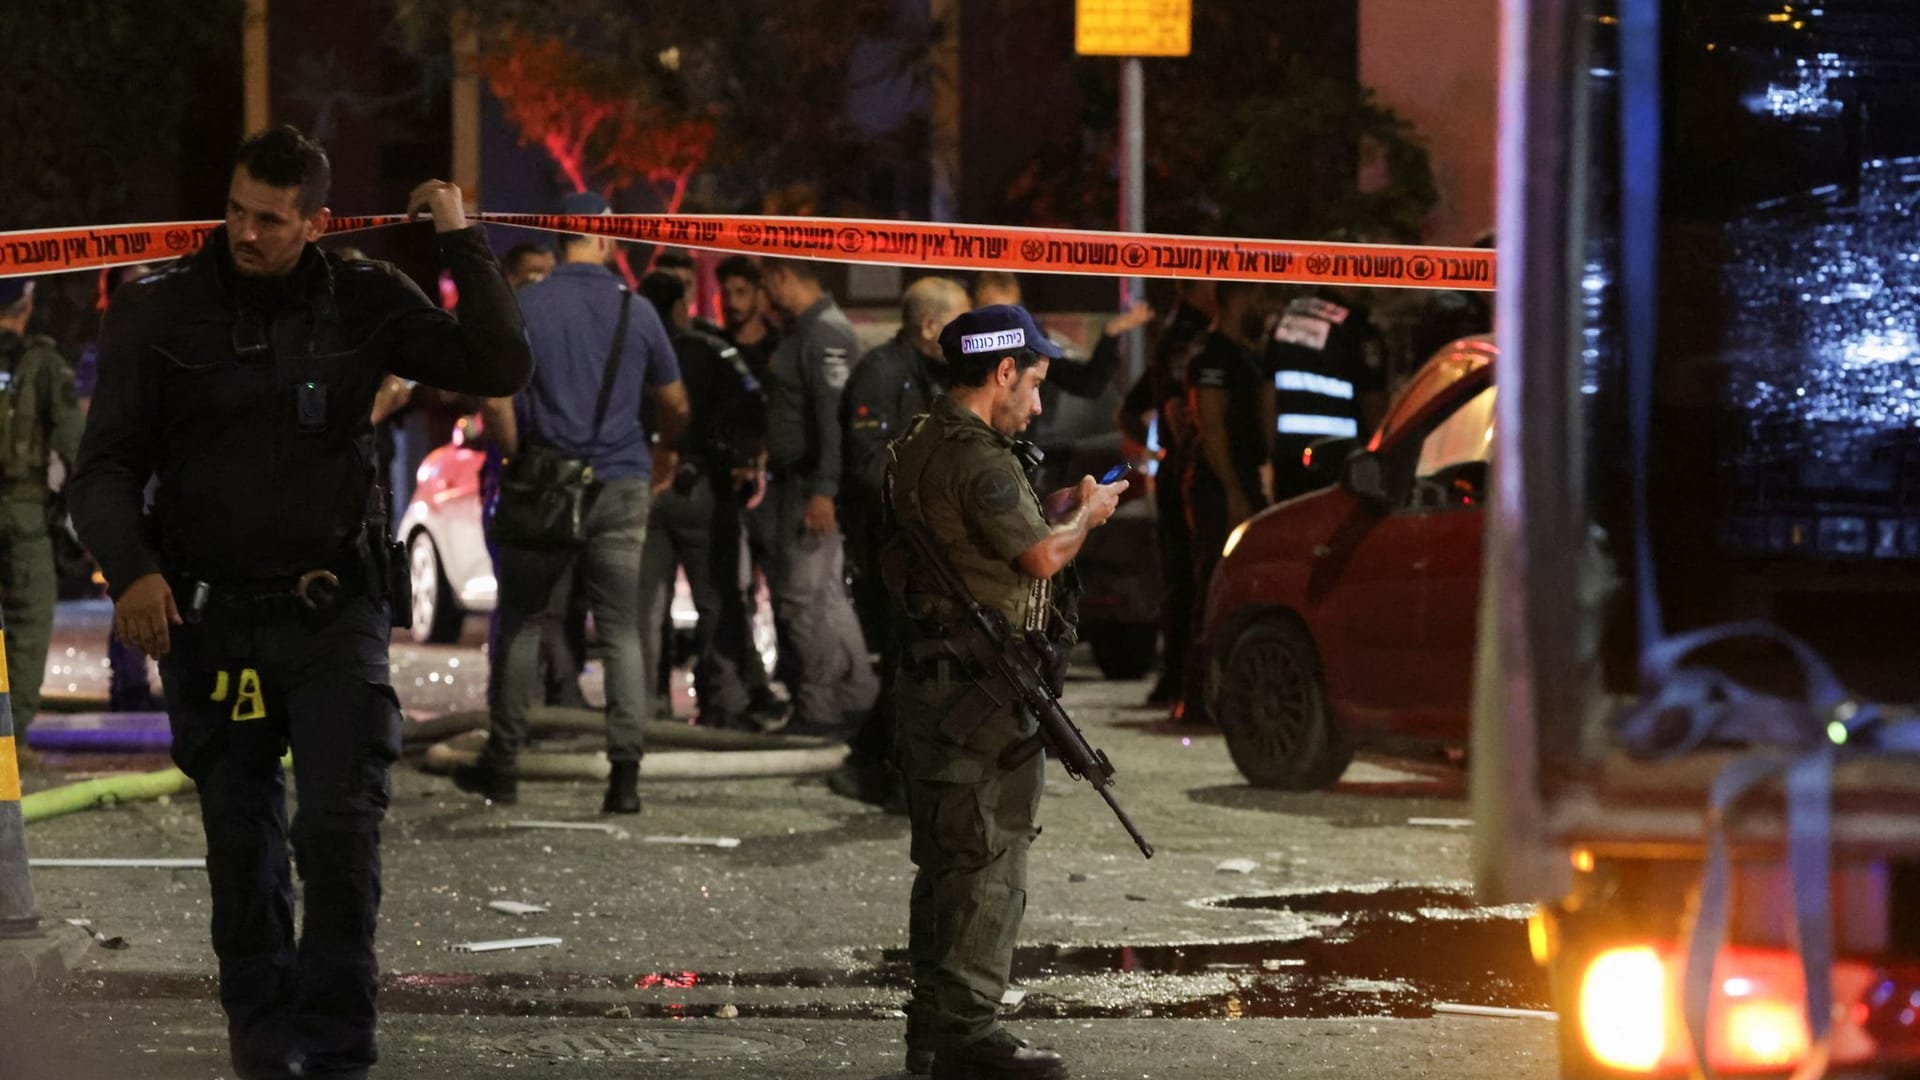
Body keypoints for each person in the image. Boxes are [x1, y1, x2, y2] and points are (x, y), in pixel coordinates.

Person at [69, 124, 532, 1080]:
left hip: (332, 612)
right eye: (236, 210)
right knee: (243, 844)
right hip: (209, 616)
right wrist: (134, 569)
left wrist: (459, 238)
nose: (246, 232)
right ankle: (261, 1037)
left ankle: (337, 1043)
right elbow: (104, 470)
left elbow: (499, 363)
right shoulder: (160, 311)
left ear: (314, 223)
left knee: (338, 829)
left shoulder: (361, 298)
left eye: (271, 220)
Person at [887, 304, 1126, 1079]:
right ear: (1001, 372)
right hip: (976, 693)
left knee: (948, 863)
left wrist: (1055, 512)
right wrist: (1087, 513)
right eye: (1034, 382)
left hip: (937, 683)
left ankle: (934, 1029)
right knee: (986, 863)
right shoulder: (979, 458)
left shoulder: (924, 441)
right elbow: (1040, 561)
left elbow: (986, 537)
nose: (1039, 402)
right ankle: (969, 1036)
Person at [455, 191, 690, 814]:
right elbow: (676, 405)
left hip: (543, 483)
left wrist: (512, 455)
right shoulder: (636, 312)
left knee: (523, 622)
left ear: (559, 241)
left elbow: (495, 398)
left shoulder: (525, 302)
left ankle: (502, 766)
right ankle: (625, 779)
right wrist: (664, 454)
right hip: (620, 482)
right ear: (607, 242)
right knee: (619, 628)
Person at [827, 274, 968, 808]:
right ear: (929, 324)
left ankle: (874, 764)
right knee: (906, 659)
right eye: (960, 321)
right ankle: (883, 774)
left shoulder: (938, 375)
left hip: (924, 548)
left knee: (914, 661)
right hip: (888, 546)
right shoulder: (882, 373)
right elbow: (867, 464)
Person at [634, 269, 765, 729]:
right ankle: (724, 703)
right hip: (703, 490)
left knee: (646, 605)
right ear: (678, 308)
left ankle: (645, 708)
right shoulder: (707, 349)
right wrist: (740, 455)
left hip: (643, 491)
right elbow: (751, 402)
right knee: (717, 601)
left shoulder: (630, 351)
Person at [754, 256, 878, 737]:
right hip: (800, 482)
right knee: (825, 596)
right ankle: (855, 698)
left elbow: (833, 422)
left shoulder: (823, 333)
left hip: (809, 485)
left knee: (802, 599)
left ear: (785, 277)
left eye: (768, 283)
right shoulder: (802, 329)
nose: (766, 294)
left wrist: (824, 490)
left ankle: (819, 705)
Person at [1177, 282, 1275, 723]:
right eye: (1259, 297)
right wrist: (1235, 491)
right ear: (1238, 300)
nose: (1266, 307)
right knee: (1213, 587)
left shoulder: (1244, 353)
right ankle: (1198, 702)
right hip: (1221, 488)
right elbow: (1211, 429)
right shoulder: (1212, 355)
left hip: (1243, 481)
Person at [1115, 280, 1215, 707]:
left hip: (1176, 475)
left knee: (1180, 580)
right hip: (1188, 478)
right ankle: (1184, 682)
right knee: (1190, 580)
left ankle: (1177, 679)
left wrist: (1156, 450)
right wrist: (1171, 451)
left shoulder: (1172, 338)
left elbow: (1129, 411)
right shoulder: (1187, 341)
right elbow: (1162, 412)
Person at [0, 278, 84, 753]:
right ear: (26, 303)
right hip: (24, 510)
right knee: (28, 623)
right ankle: (10, 741)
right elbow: (77, 445)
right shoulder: (44, 363)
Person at [1266, 283, 1390, 504]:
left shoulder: (1287, 319)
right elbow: (1375, 409)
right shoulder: (1357, 329)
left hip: (1288, 461)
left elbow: (1267, 393)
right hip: (1341, 464)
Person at [653, 249, 725, 338]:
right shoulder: (647, 328)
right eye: (676, 283)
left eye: (688, 283)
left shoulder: (710, 332)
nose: (683, 291)